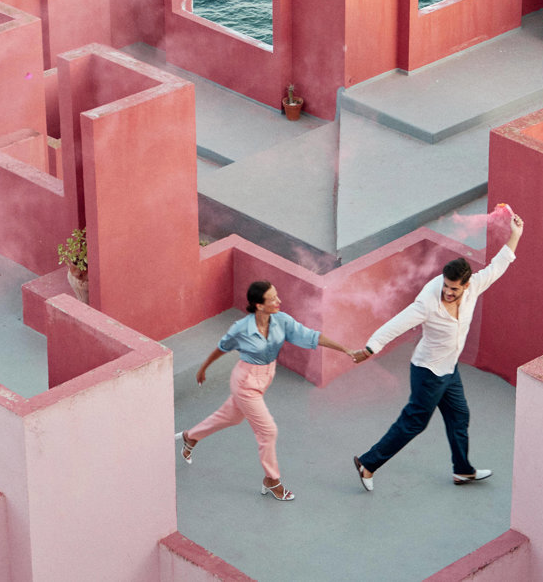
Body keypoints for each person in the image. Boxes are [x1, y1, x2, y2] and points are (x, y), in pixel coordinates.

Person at [351, 208, 524, 491]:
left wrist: (515, 234)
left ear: (466, 285)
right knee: (414, 423)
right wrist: (371, 347)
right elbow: (398, 323)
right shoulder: (428, 302)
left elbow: (498, 266)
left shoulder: (473, 288)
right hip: (428, 371)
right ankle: (368, 464)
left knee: (460, 416)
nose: (448, 292)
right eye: (446, 286)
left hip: (449, 369)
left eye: (454, 288)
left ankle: (463, 472)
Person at [176, 281, 358, 501]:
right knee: (268, 431)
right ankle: (272, 481)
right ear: (259, 305)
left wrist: (346, 350)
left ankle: (191, 436)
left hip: (266, 377)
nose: (279, 301)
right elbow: (222, 348)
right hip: (245, 381)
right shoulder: (241, 328)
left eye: (277, 296)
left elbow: (312, 337)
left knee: (231, 418)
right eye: (272, 298)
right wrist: (204, 367)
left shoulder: (282, 321)